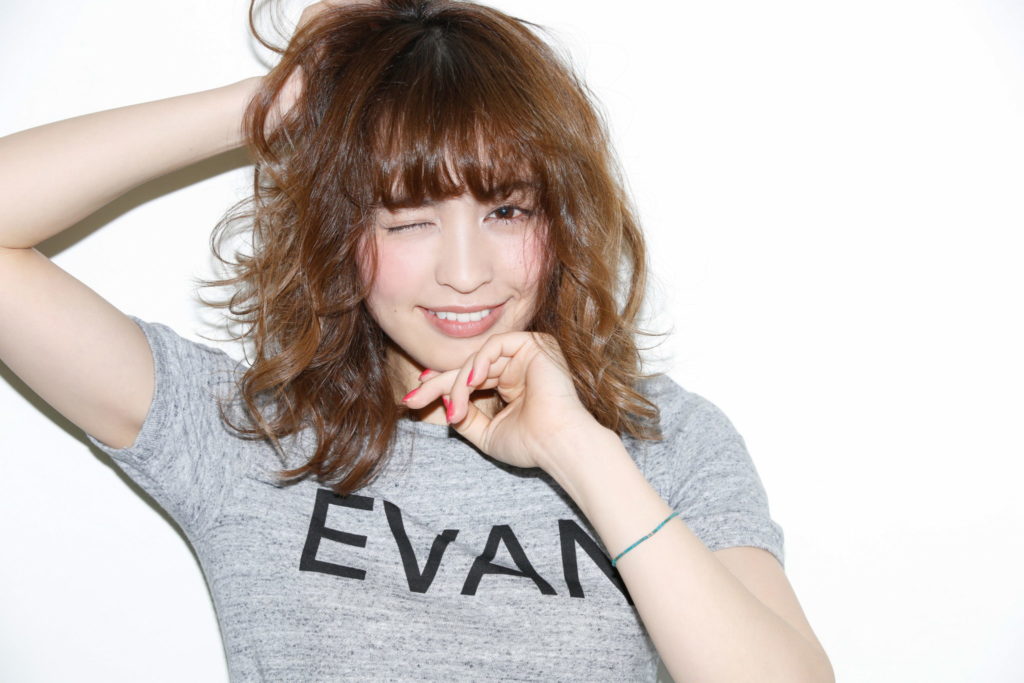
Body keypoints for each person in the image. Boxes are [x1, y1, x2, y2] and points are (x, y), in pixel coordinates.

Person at [0, 0, 833, 680]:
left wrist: (580, 448)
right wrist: (286, 100)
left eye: (507, 210)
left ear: (561, 218)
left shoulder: (660, 441)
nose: (465, 273)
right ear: (342, 233)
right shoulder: (249, 440)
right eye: (408, 218)